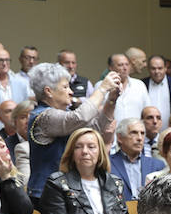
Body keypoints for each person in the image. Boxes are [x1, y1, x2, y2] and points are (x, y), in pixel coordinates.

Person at [25, 62, 121, 201]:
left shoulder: (65, 115)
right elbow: (80, 117)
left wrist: (111, 101)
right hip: (46, 195)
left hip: (66, 192)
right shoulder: (43, 116)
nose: (71, 92)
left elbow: (96, 128)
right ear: (48, 91)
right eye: (65, 87)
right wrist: (102, 88)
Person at [108, 116, 164, 201]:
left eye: (142, 133)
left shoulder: (157, 165)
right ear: (119, 138)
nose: (139, 138)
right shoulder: (107, 163)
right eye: (133, 133)